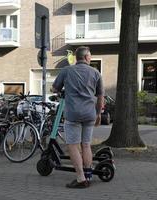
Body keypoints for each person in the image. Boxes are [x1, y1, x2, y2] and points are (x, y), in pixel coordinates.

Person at [52, 46, 104, 188]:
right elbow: (100, 97)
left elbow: (54, 88)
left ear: (77, 57)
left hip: (73, 114)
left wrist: (58, 89)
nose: (91, 58)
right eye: (90, 56)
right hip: (89, 114)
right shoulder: (96, 73)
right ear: (87, 57)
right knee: (86, 144)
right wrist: (99, 114)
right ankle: (88, 174)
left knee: (73, 145)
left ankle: (81, 179)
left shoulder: (66, 71)